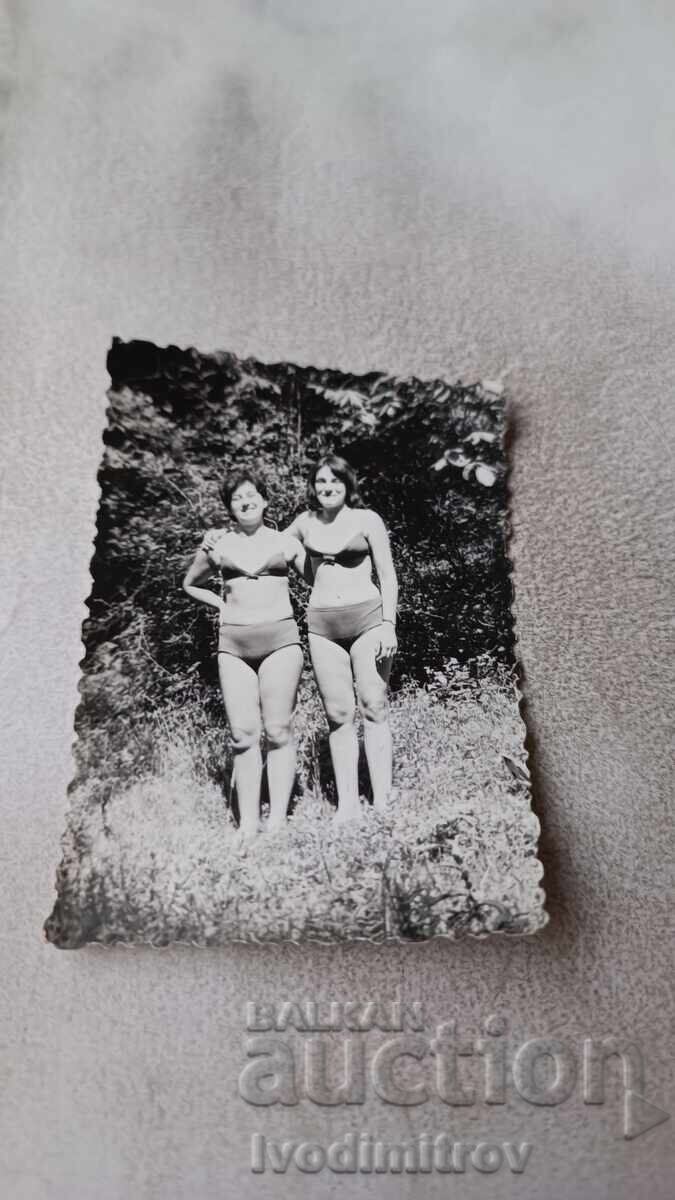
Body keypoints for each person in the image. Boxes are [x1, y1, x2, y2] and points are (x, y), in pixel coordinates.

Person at [183, 473, 305, 838]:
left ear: (266, 501)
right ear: (230, 507)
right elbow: (190, 583)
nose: (246, 501)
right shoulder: (216, 545)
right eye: (237, 498)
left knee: (278, 729)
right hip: (233, 646)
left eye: (252, 495)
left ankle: (279, 819)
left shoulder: (286, 542)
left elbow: (320, 578)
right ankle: (248, 822)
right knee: (242, 734)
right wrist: (219, 603)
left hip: (281, 641)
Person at [286, 455, 398, 821]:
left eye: (334, 481)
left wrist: (388, 624)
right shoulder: (304, 523)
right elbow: (268, 546)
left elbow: (388, 575)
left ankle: (382, 799)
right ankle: (348, 805)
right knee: (338, 714)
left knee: (373, 705)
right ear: (313, 487)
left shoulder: (367, 520)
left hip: (367, 619)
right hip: (322, 627)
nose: (327, 488)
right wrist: (221, 538)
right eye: (320, 482)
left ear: (347, 484)